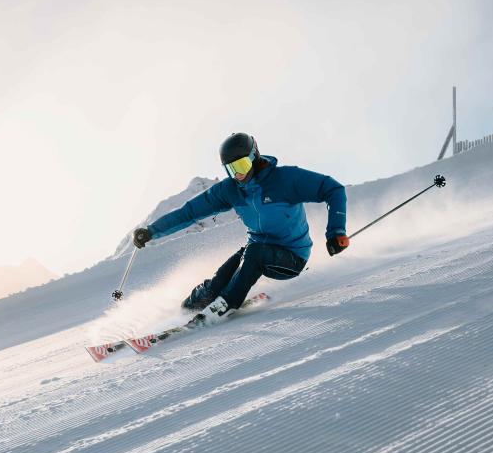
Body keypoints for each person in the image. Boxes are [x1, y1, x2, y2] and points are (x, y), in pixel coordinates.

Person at [131, 133, 349, 319]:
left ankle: (225, 304)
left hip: (292, 257)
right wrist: (152, 231)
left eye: (242, 165)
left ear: (255, 158)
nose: (238, 174)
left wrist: (336, 232)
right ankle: (187, 310)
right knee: (219, 280)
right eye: (231, 169)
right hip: (254, 252)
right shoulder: (231, 190)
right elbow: (189, 212)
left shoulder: (285, 179)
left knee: (254, 253)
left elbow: (333, 189)